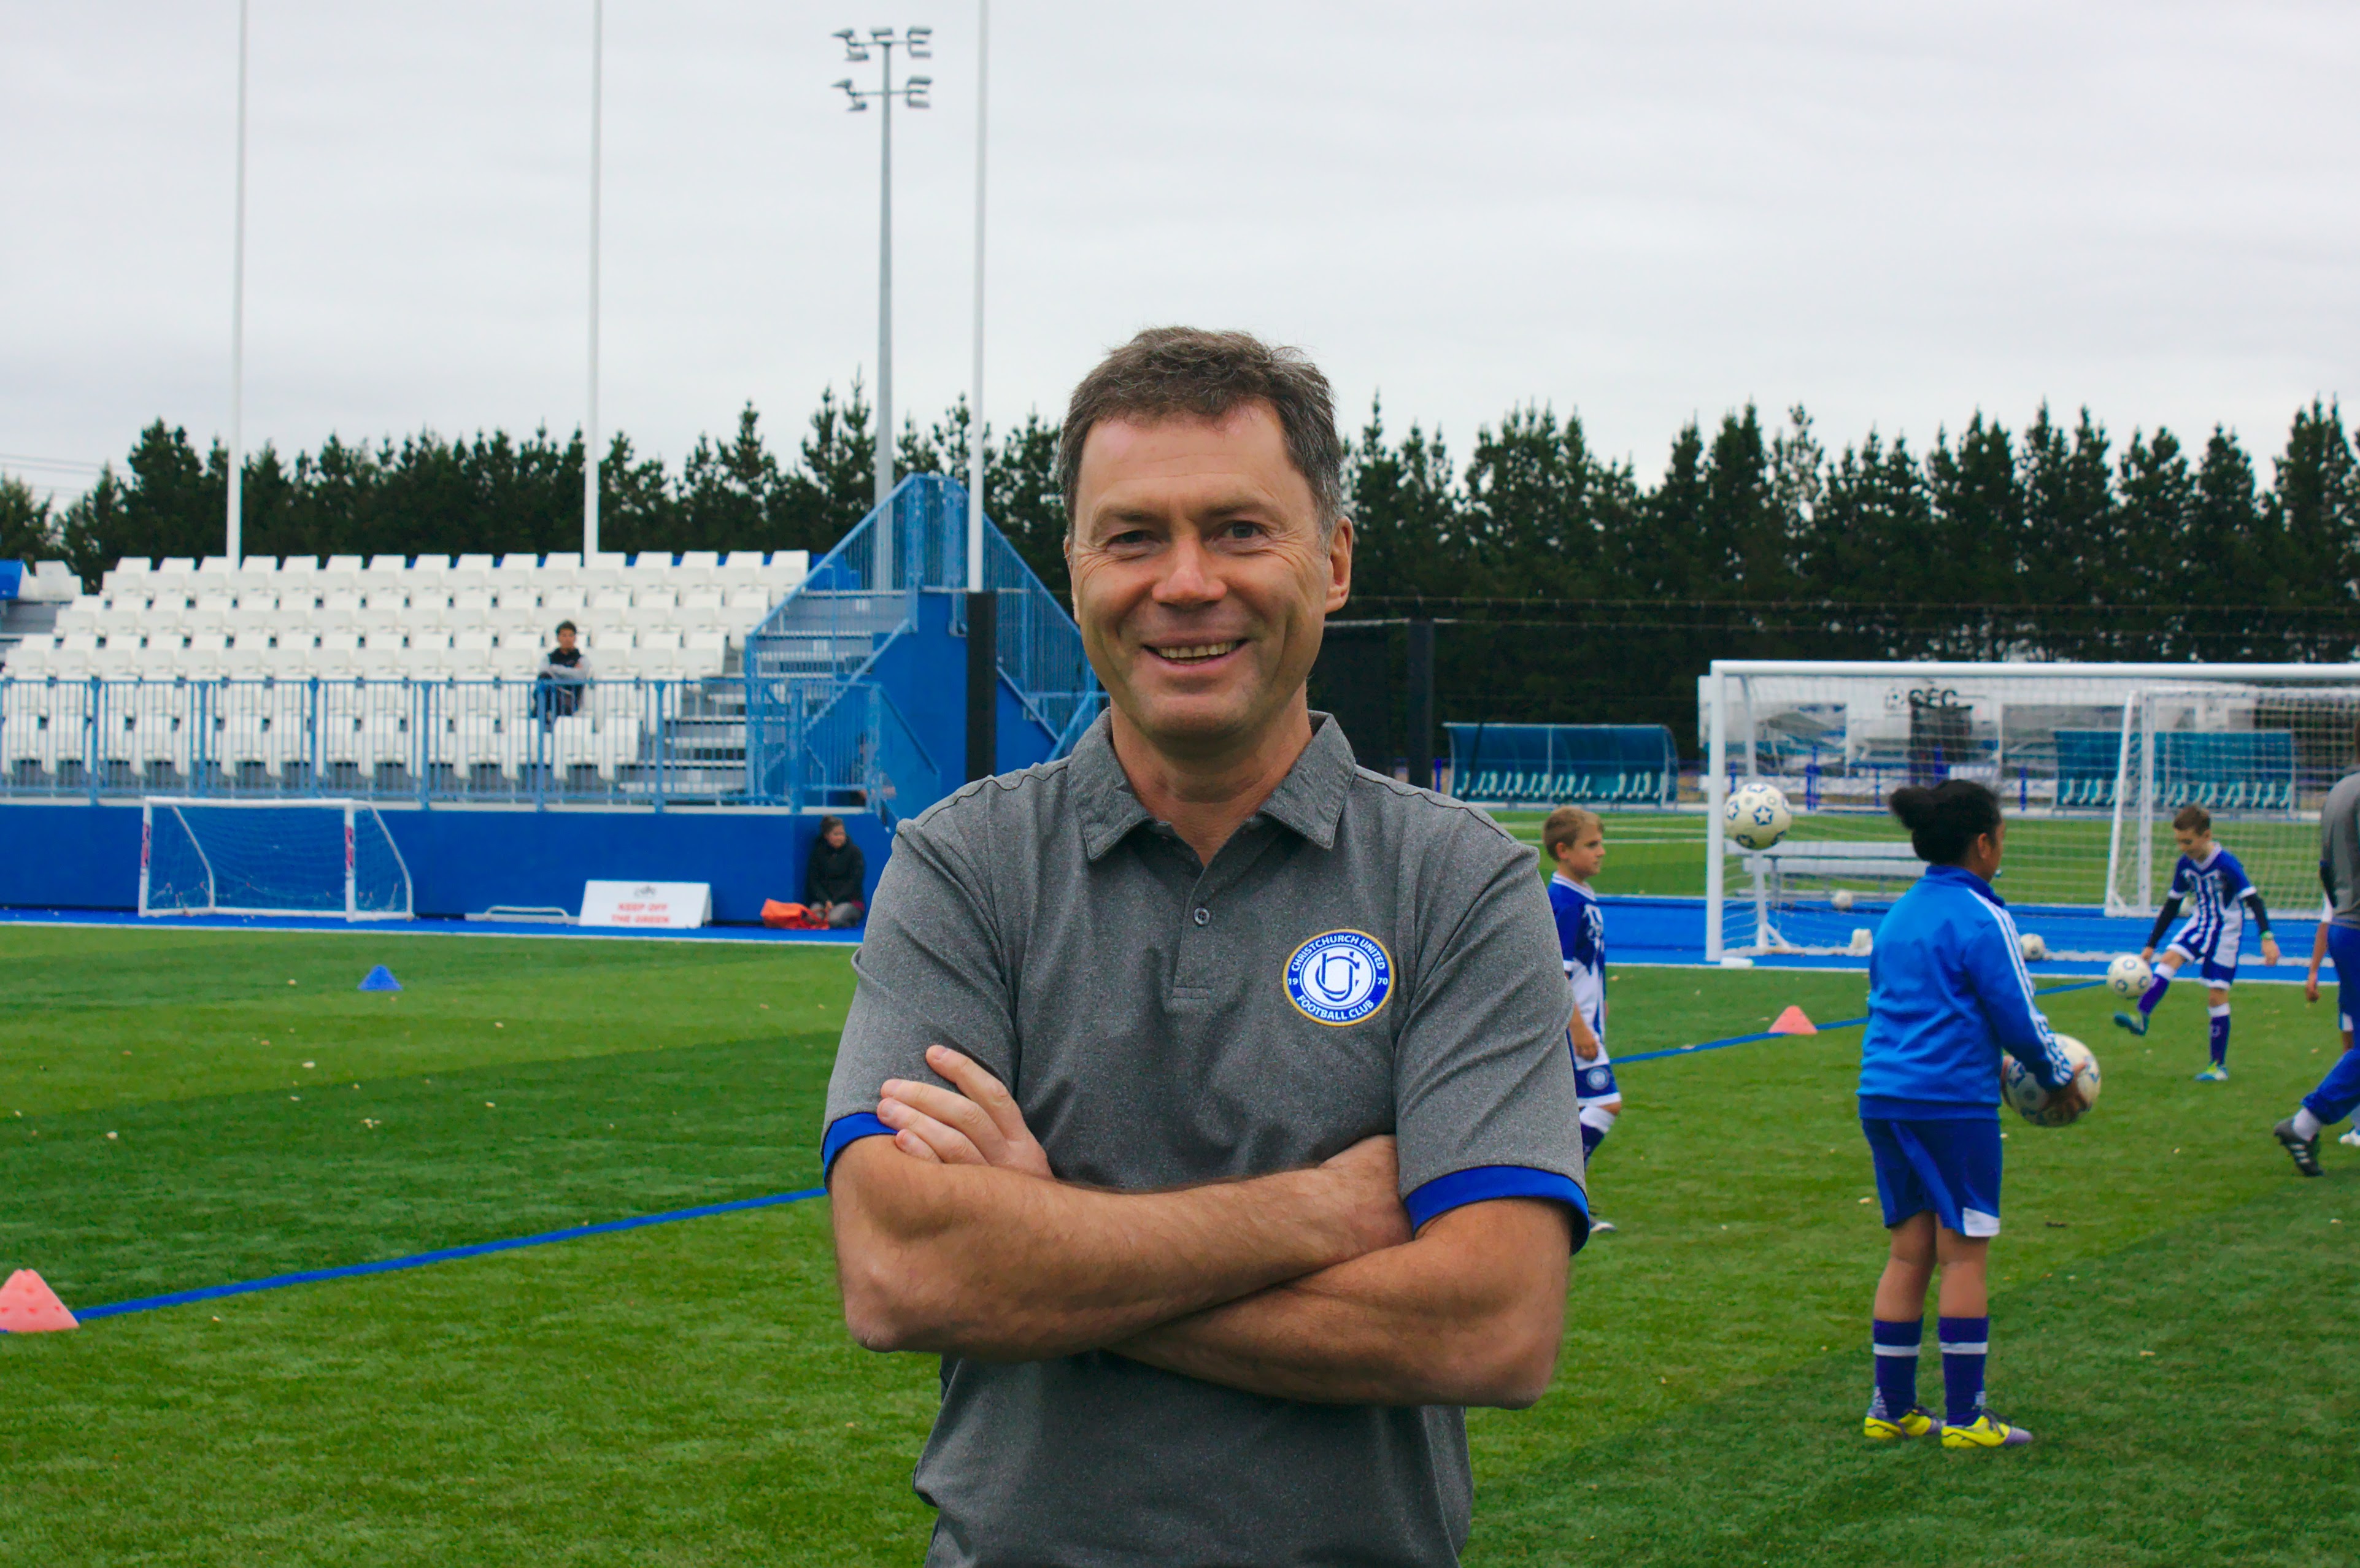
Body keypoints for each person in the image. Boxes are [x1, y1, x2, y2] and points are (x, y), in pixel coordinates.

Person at [820, 328, 1589, 1567]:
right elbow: (904, 1274)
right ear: (1075, 572)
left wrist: (1045, 1243)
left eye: (1239, 529)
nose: (1185, 582)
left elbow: (1492, 1327)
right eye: (1133, 537)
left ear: (1332, 563)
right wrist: (1323, 1210)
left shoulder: (1461, 881)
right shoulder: (966, 865)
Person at [1856, 779, 2083, 1450]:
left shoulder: (1900, 913)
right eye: (2002, 835)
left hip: (1883, 1094)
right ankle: (1966, 1417)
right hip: (1952, 1103)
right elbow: (2016, 1012)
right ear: (1984, 844)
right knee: (1964, 1257)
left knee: (1909, 1253)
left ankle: (1891, 1408)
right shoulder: (1984, 917)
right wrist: (2056, 1075)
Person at [2113, 804, 2279, 1080]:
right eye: (2178, 841)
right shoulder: (2185, 865)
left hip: (2227, 930)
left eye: (2187, 841)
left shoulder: (2227, 864)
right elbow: (2171, 905)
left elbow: (2254, 900)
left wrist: (2267, 938)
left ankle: (2217, 1066)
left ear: (2206, 836)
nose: (2182, 847)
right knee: (2168, 960)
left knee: (2216, 996)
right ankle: (2142, 1016)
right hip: (2200, 923)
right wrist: (2151, 945)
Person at [2278, 731, 2360, 1174]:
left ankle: (2305, 1126)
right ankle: (2304, 1122)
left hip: (2345, 925)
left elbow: (2325, 869)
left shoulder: (2339, 791)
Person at [1544, 805, 1620, 1234]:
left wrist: (1599, 1005)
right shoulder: (1564, 904)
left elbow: (1585, 966)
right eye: (1591, 845)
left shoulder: (1581, 899)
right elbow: (1557, 972)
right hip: (1575, 1032)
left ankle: (1570, 1206)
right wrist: (1577, 1025)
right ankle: (1566, 1195)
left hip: (1585, 1024)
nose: (1601, 852)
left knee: (1572, 1112)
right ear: (1563, 851)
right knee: (1605, 1104)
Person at [803, 813, 867, 929]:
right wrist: (826, 900)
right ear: (827, 836)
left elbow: (855, 882)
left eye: (842, 834)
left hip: (848, 901)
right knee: (812, 918)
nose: (840, 837)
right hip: (824, 901)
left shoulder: (855, 853)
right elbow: (813, 882)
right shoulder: (818, 853)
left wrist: (835, 900)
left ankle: (851, 920)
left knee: (835, 920)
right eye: (836, 834)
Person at [531, 620, 592, 723]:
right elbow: (543, 673)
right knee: (545, 683)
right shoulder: (549, 657)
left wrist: (555, 670)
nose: (567, 639)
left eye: (571, 635)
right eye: (564, 636)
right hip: (551, 694)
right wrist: (570, 673)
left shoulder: (581, 658)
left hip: (569, 698)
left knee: (547, 692)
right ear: (558, 638)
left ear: (575, 638)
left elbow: (581, 676)